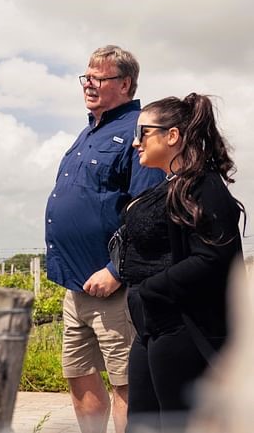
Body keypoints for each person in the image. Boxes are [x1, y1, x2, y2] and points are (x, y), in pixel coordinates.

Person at [44, 45, 164, 433]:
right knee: (78, 375)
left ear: (125, 83)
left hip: (114, 287)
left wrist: (116, 270)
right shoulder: (87, 132)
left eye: (100, 77)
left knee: (125, 381)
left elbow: (146, 210)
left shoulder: (137, 132)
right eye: (87, 77)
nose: (89, 84)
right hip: (75, 285)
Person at [121, 94, 245, 432]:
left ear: (172, 135)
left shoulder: (203, 186)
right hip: (151, 329)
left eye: (143, 132)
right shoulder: (172, 186)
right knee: (144, 424)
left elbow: (214, 258)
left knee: (178, 425)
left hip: (181, 331)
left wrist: (151, 289)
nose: (135, 142)